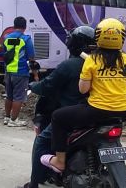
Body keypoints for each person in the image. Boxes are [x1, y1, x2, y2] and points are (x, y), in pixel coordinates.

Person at [40, 18, 126, 173]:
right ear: (121, 37)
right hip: (123, 112)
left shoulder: (92, 60)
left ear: (99, 36)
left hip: (97, 111)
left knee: (57, 116)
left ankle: (59, 161)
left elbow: (83, 90)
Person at [20, 26, 95, 188]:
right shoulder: (100, 64)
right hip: (99, 113)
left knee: (42, 141)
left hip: (72, 115)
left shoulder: (69, 66)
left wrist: (33, 86)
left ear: (72, 44)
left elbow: (48, 85)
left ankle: (34, 184)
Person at [3, 16, 36, 127]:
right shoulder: (26, 39)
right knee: (19, 97)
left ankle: (7, 117)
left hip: (8, 71)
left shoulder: (6, 38)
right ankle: (14, 120)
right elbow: (31, 58)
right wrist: (35, 74)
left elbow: (5, 53)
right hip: (21, 72)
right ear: (25, 27)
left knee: (9, 96)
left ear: (14, 25)